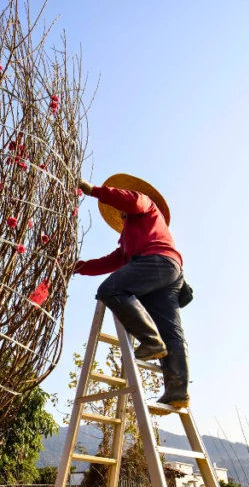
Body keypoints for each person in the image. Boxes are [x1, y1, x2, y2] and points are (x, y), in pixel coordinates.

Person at [74, 174, 190, 408]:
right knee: (170, 330)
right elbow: (112, 261)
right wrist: (76, 267)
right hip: (169, 271)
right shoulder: (128, 239)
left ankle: (150, 341)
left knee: (111, 289)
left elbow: (134, 201)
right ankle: (177, 391)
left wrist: (92, 189)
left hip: (158, 262)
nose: (121, 211)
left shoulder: (146, 204)